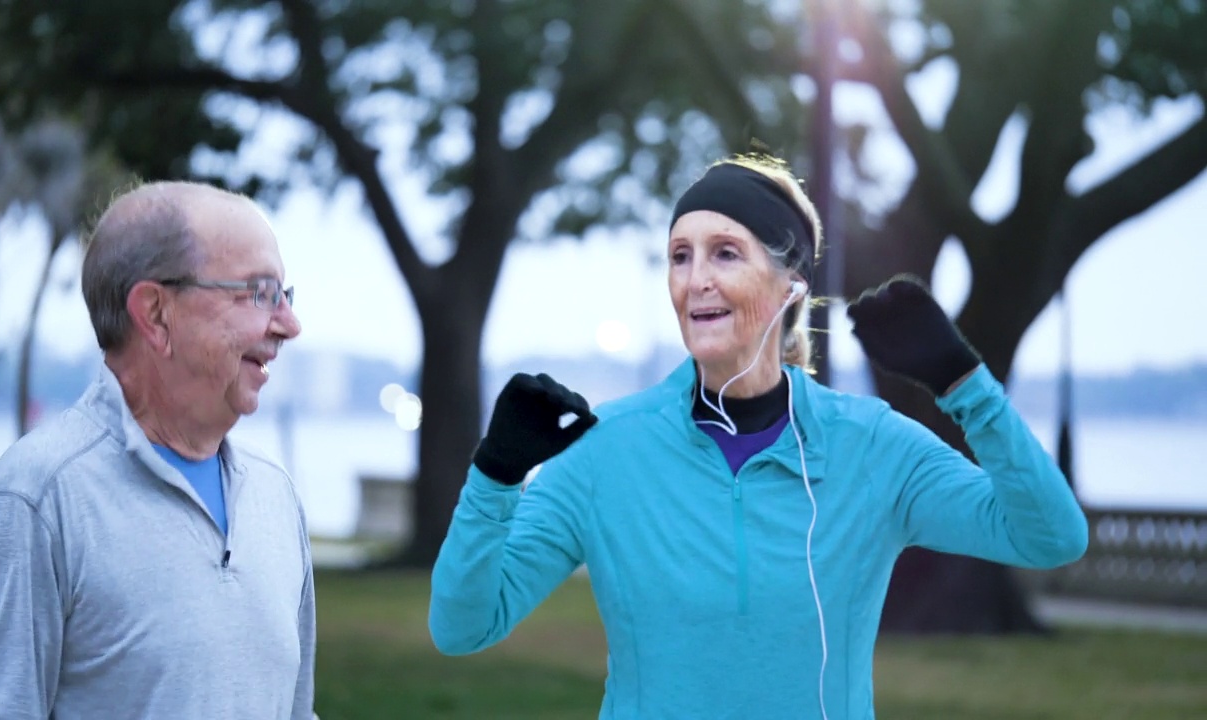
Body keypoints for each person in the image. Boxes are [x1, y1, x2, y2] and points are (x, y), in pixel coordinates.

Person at [427, 153, 1089, 719]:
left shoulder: (871, 447)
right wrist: (495, 476)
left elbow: (1050, 536)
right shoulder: (605, 451)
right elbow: (463, 627)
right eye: (680, 256)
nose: (696, 280)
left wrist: (962, 382)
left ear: (790, 285)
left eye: (725, 253)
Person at [0, 181, 317, 720]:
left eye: (285, 295)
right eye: (259, 294)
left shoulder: (276, 498)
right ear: (156, 314)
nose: (288, 324)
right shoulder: (31, 504)